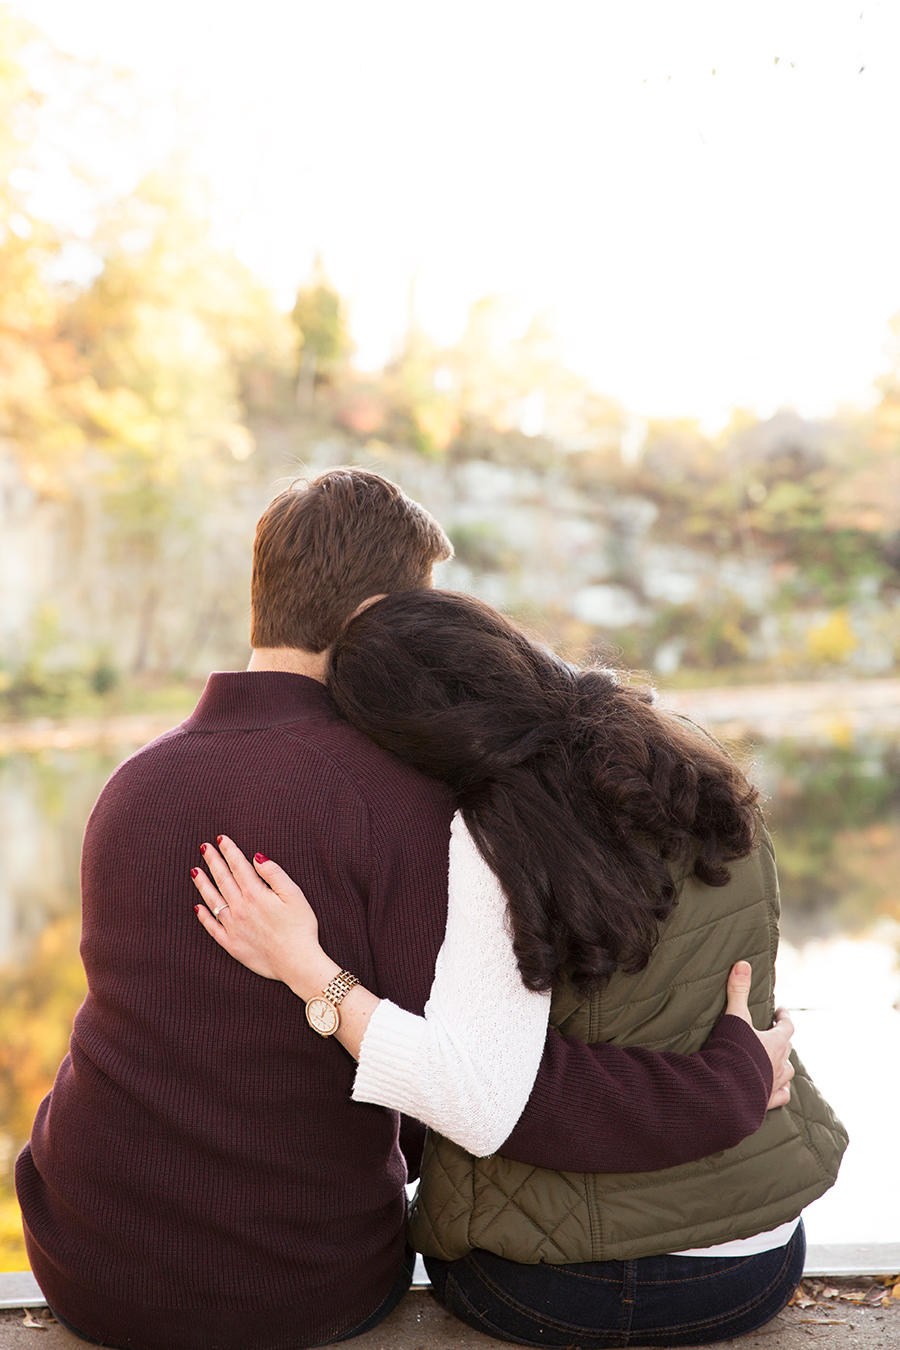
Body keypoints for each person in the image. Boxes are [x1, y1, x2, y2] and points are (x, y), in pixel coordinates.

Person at [17, 469, 792, 1350]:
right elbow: (492, 1091)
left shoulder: (131, 784)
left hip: (84, 1263)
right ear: (378, 616)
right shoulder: (403, 801)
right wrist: (727, 1084)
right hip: (298, 1285)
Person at [192, 587, 848, 1349]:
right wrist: (735, 1077)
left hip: (562, 1284)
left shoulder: (495, 835)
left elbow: (481, 1094)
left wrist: (307, 969)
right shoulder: (690, 759)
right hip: (757, 1260)